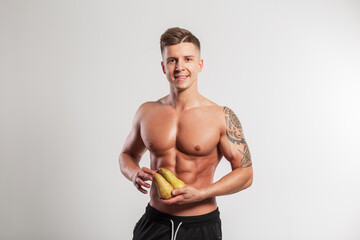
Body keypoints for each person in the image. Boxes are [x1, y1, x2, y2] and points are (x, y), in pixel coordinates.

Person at [118, 27, 253, 240]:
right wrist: (133, 173)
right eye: (172, 60)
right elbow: (127, 155)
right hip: (155, 222)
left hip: (200, 226)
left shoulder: (221, 116)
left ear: (199, 65)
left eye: (187, 59)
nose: (180, 67)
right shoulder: (146, 112)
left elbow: (245, 174)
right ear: (163, 67)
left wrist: (202, 193)